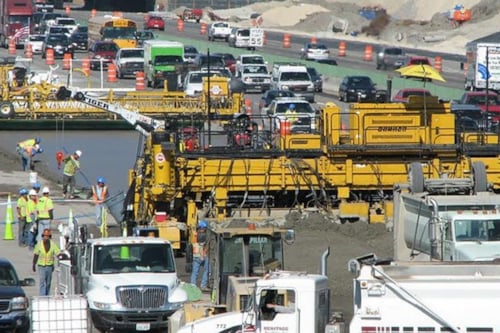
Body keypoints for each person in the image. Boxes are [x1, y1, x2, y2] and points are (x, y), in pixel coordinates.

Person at [32, 228, 61, 296]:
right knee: (42, 282)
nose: (45, 237)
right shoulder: (39, 244)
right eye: (44, 236)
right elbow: (36, 254)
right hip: (41, 266)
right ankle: (42, 296)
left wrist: (62, 257)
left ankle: (47, 295)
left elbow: (58, 253)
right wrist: (34, 264)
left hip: (49, 266)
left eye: (47, 236)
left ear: (49, 237)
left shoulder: (53, 244)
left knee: (48, 283)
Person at [190, 220, 210, 292]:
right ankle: (203, 285)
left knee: (195, 271)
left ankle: (193, 285)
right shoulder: (203, 235)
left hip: (196, 255)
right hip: (203, 255)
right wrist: (203, 255)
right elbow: (202, 246)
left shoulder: (194, 234)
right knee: (206, 270)